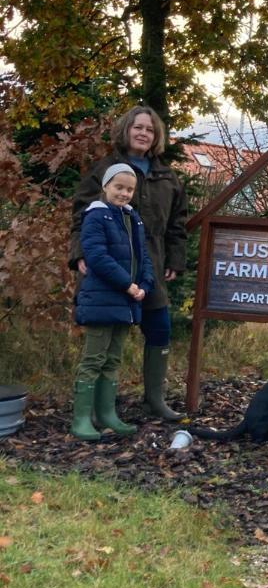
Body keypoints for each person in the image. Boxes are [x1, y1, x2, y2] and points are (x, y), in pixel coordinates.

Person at [70, 106, 188, 420]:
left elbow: (178, 224)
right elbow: (81, 217)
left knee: (160, 329)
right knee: (105, 338)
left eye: (149, 129)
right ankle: (94, 410)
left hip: (151, 267)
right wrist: (79, 254)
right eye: (137, 127)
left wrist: (175, 259)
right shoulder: (105, 169)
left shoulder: (167, 177)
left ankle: (154, 400)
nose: (143, 133)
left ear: (156, 136)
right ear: (126, 130)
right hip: (108, 268)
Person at [70, 164, 154, 440]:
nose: (124, 193)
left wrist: (144, 285)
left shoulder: (133, 218)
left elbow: (144, 257)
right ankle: (81, 419)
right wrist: (127, 285)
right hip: (102, 299)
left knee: (112, 359)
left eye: (129, 189)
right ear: (106, 186)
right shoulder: (96, 216)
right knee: (93, 358)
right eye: (118, 187)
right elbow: (97, 256)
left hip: (127, 301)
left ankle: (106, 414)